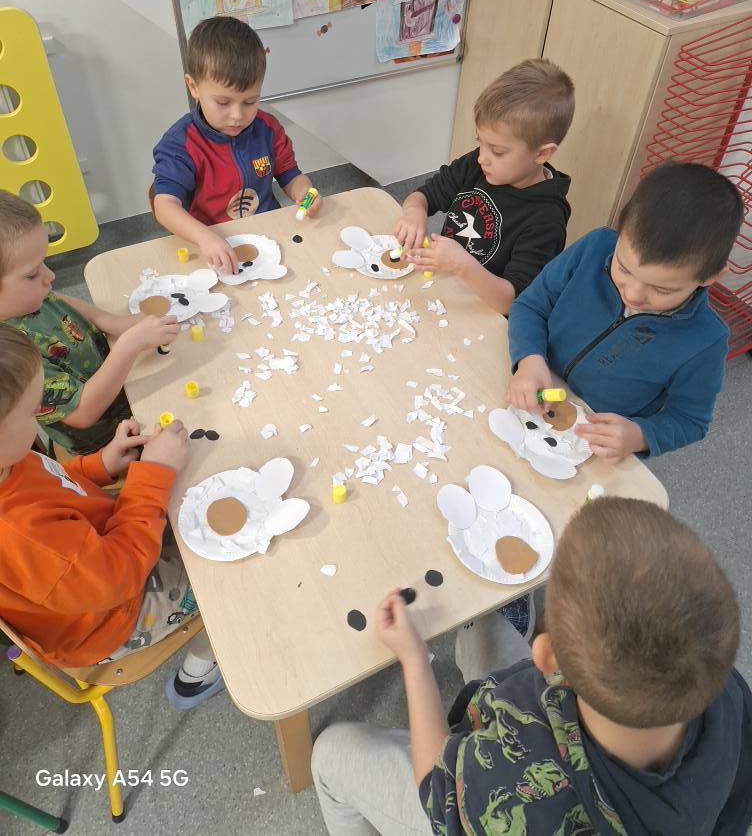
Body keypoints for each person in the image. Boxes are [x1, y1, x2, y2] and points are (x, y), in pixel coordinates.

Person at [312, 498, 752, 836]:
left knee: (330, 754)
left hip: (470, 804)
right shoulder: (722, 687)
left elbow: (436, 785)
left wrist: (413, 661)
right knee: (481, 626)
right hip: (554, 728)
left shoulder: (519, 790)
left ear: (548, 659)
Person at [0, 325, 222, 709]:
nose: (40, 415)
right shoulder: (21, 535)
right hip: (114, 616)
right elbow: (121, 575)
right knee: (224, 569)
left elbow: (55, 483)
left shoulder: (8, 460)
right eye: (30, 411)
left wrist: (101, 464)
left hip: (98, 556)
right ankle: (201, 671)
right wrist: (153, 474)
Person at [506, 162, 745, 461]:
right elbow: (530, 305)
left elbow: (690, 421)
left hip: (587, 445)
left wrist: (640, 435)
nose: (632, 294)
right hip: (526, 387)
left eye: (661, 290)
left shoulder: (705, 341)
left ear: (709, 277)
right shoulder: (594, 248)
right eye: (623, 268)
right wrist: (529, 359)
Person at [0, 191, 178, 455]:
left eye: (44, 262)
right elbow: (83, 413)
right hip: (105, 440)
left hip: (125, 387)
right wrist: (129, 344)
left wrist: (114, 323)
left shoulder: (29, 297)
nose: (50, 276)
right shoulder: (12, 359)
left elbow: (60, 301)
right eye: (32, 274)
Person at [393, 59, 574, 314]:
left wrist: (461, 265)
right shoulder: (478, 164)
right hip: (446, 289)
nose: (482, 158)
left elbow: (511, 302)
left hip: (484, 315)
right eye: (480, 143)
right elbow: (423, 196)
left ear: (542, 154)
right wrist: (414, 212)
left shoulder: (546, 220)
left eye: (497, 151)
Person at [152, 16, 321, 276]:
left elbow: (291, 176)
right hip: (213, 243)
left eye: (250, 102)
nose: (237, 116)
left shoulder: (267, 129)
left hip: (268, 235)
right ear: (193, 87)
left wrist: (305, 193)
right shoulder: (181, 143)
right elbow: (164, 205)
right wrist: (203, 236)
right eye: (223, 102)